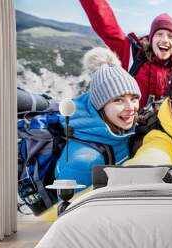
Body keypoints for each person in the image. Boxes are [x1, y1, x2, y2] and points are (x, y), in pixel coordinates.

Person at [54, 47, 141, 187]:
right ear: (100, 105)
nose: (131, 107)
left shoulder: (119, 129)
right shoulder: (84, 163)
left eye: (134, 98)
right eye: (118, 100)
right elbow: (70, 208)